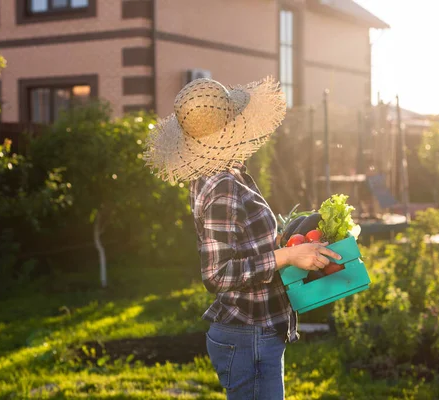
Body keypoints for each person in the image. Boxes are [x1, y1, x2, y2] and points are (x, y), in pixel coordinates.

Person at [144, 76, 342, 400]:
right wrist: (288, 257)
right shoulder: (220, 185)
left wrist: (287, 240)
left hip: (258, 331)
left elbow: (241, 242)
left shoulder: (229, 174)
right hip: (248, 334)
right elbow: (217, 274)